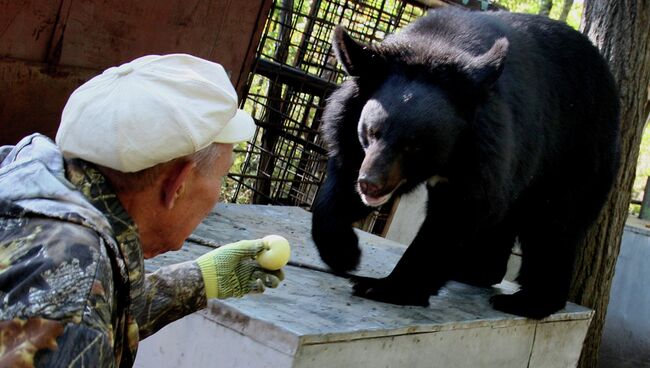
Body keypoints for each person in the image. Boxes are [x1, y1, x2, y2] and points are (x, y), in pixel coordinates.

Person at [0, 54, 285, 367]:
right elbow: (77, 316)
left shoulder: (22, 173)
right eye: (222, 175)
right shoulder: (76, 308)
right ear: (178, 183)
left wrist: (201, 279)